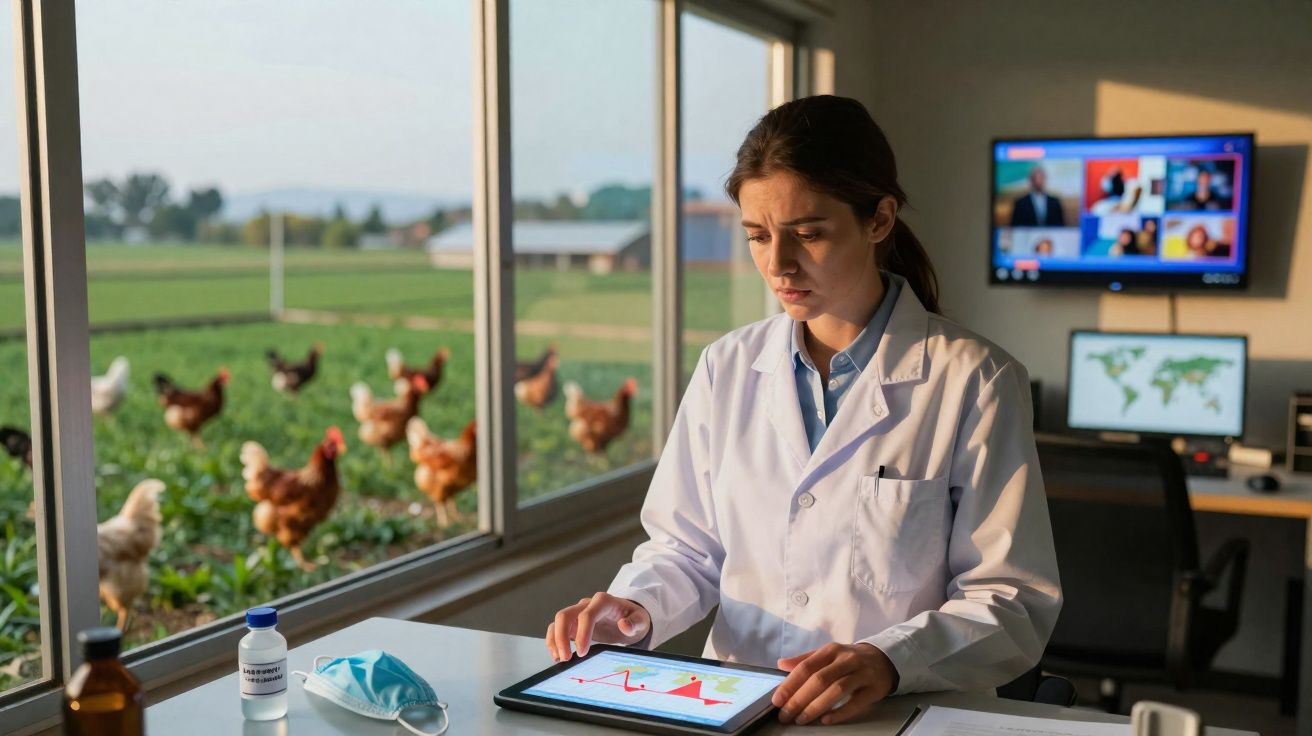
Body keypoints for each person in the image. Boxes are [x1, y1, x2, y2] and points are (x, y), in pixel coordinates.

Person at [546, 96, 1061, 727]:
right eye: (758, 236)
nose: (777, 265)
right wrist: (634, 607)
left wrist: (890, 660)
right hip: (734, 705)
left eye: (809, 234)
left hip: (897, 716)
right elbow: (688, 548)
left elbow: (1010, 598)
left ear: (879, 219)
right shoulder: (726, 367)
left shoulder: (974, 381)